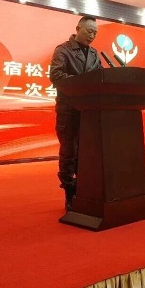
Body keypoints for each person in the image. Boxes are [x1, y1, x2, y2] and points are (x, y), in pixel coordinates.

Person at [49, 16, 102, 211]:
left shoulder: (95, 54)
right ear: (78, 29)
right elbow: (56, 75)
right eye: (89, 31)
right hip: (68, 110)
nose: (92, 35)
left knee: (86, 152)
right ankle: (69, 192)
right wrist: (83, 84)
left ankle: (84, 189)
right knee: (69, 152)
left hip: (88, 111)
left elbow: (101, 77)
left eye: (95, 33)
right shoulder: (63, 50)